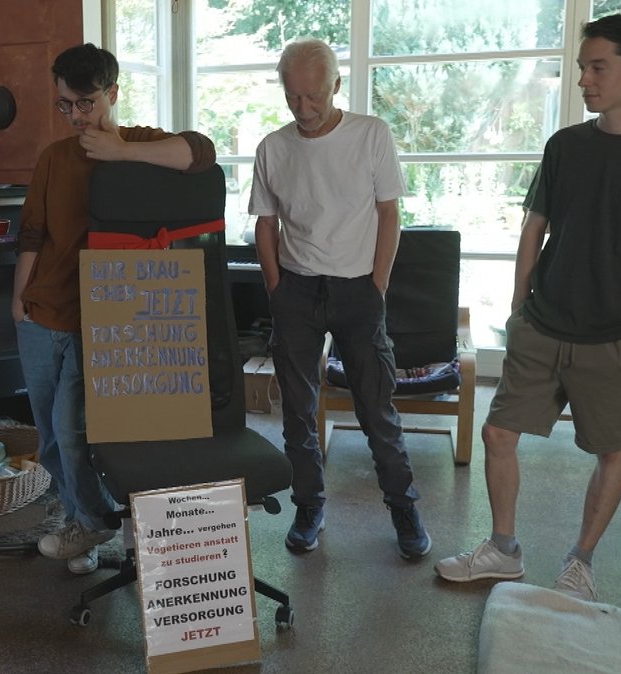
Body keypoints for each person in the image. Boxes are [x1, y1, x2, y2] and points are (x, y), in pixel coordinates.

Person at [435, 14, 621, 602]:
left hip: (615, 335)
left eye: (597, 67)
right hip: (544, 322)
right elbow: (535, 226)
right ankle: (503, 550)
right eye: (582, 67)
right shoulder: (565, 146)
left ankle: (580, 563)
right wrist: (518, 309)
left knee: (614, 451)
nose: (584, 79)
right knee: (498, 432)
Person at [13, 44, 217, 575]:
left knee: (73, 428)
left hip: (106, 318)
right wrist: (20, 299)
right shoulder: (54, 158)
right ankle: (81, 519)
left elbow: (201, 152)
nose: (76, 117)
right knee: (50, 436)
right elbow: (32, 233)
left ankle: (96, 523)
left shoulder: (142, 144)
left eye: (86, 104)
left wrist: (121, 152)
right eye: (65, 105)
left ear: (113, 94)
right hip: (41, 312)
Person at [249, 38, 432, 559]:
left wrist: (376, 284)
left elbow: (389, 214)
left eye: (314, 97)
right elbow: (266, 224)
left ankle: (404, 509)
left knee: (377, 411)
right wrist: (276, 287)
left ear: (336, 85)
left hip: (358, 289)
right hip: (297, 288)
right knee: (297, 413)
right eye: (293, 98)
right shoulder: (274, 147)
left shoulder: (371, 134)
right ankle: (310, 507)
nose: (304, 110)